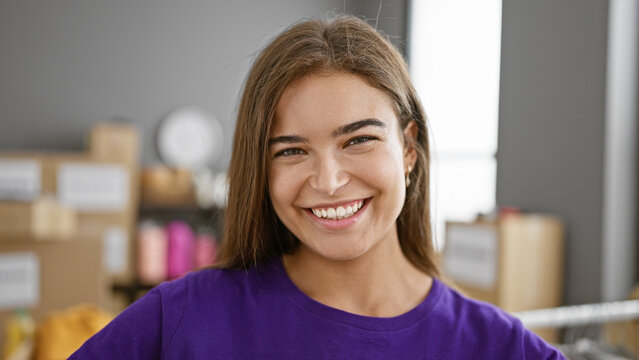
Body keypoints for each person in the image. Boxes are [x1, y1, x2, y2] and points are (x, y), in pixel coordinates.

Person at [70, 16, 564, 359]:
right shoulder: (178, 320)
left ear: (409, 149)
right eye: (290, 150)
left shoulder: (503, 349)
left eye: (359, 140)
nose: (328, 182)